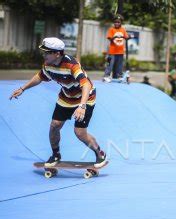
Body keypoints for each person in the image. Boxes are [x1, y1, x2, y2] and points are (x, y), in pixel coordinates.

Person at [9, 37, 107, 168]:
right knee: (54, 125)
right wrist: (22, 89)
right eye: (44, 52)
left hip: (85, 98)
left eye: (47, 52)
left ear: (57, 54)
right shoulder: (48, 64)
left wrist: (82, 106)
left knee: (79, 132)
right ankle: (56, 155)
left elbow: (86, 85)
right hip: (66, 98)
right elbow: (40, 77)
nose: (44, 55)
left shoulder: (72, 65)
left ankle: (99, 153)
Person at [103, 14, 129, 82]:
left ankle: (118, 76)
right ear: (113, 22)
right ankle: (106, 76)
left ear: (121, 23)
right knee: (110, 64)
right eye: (115, 22)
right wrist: (113, 37)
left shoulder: (123, 30)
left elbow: (126, 37)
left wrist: (127, 37)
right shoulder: (111, 29)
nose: (117, 23)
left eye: (118, 22)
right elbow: (110, 38)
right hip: (112, 52)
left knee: (119, 66)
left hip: (120, 51)